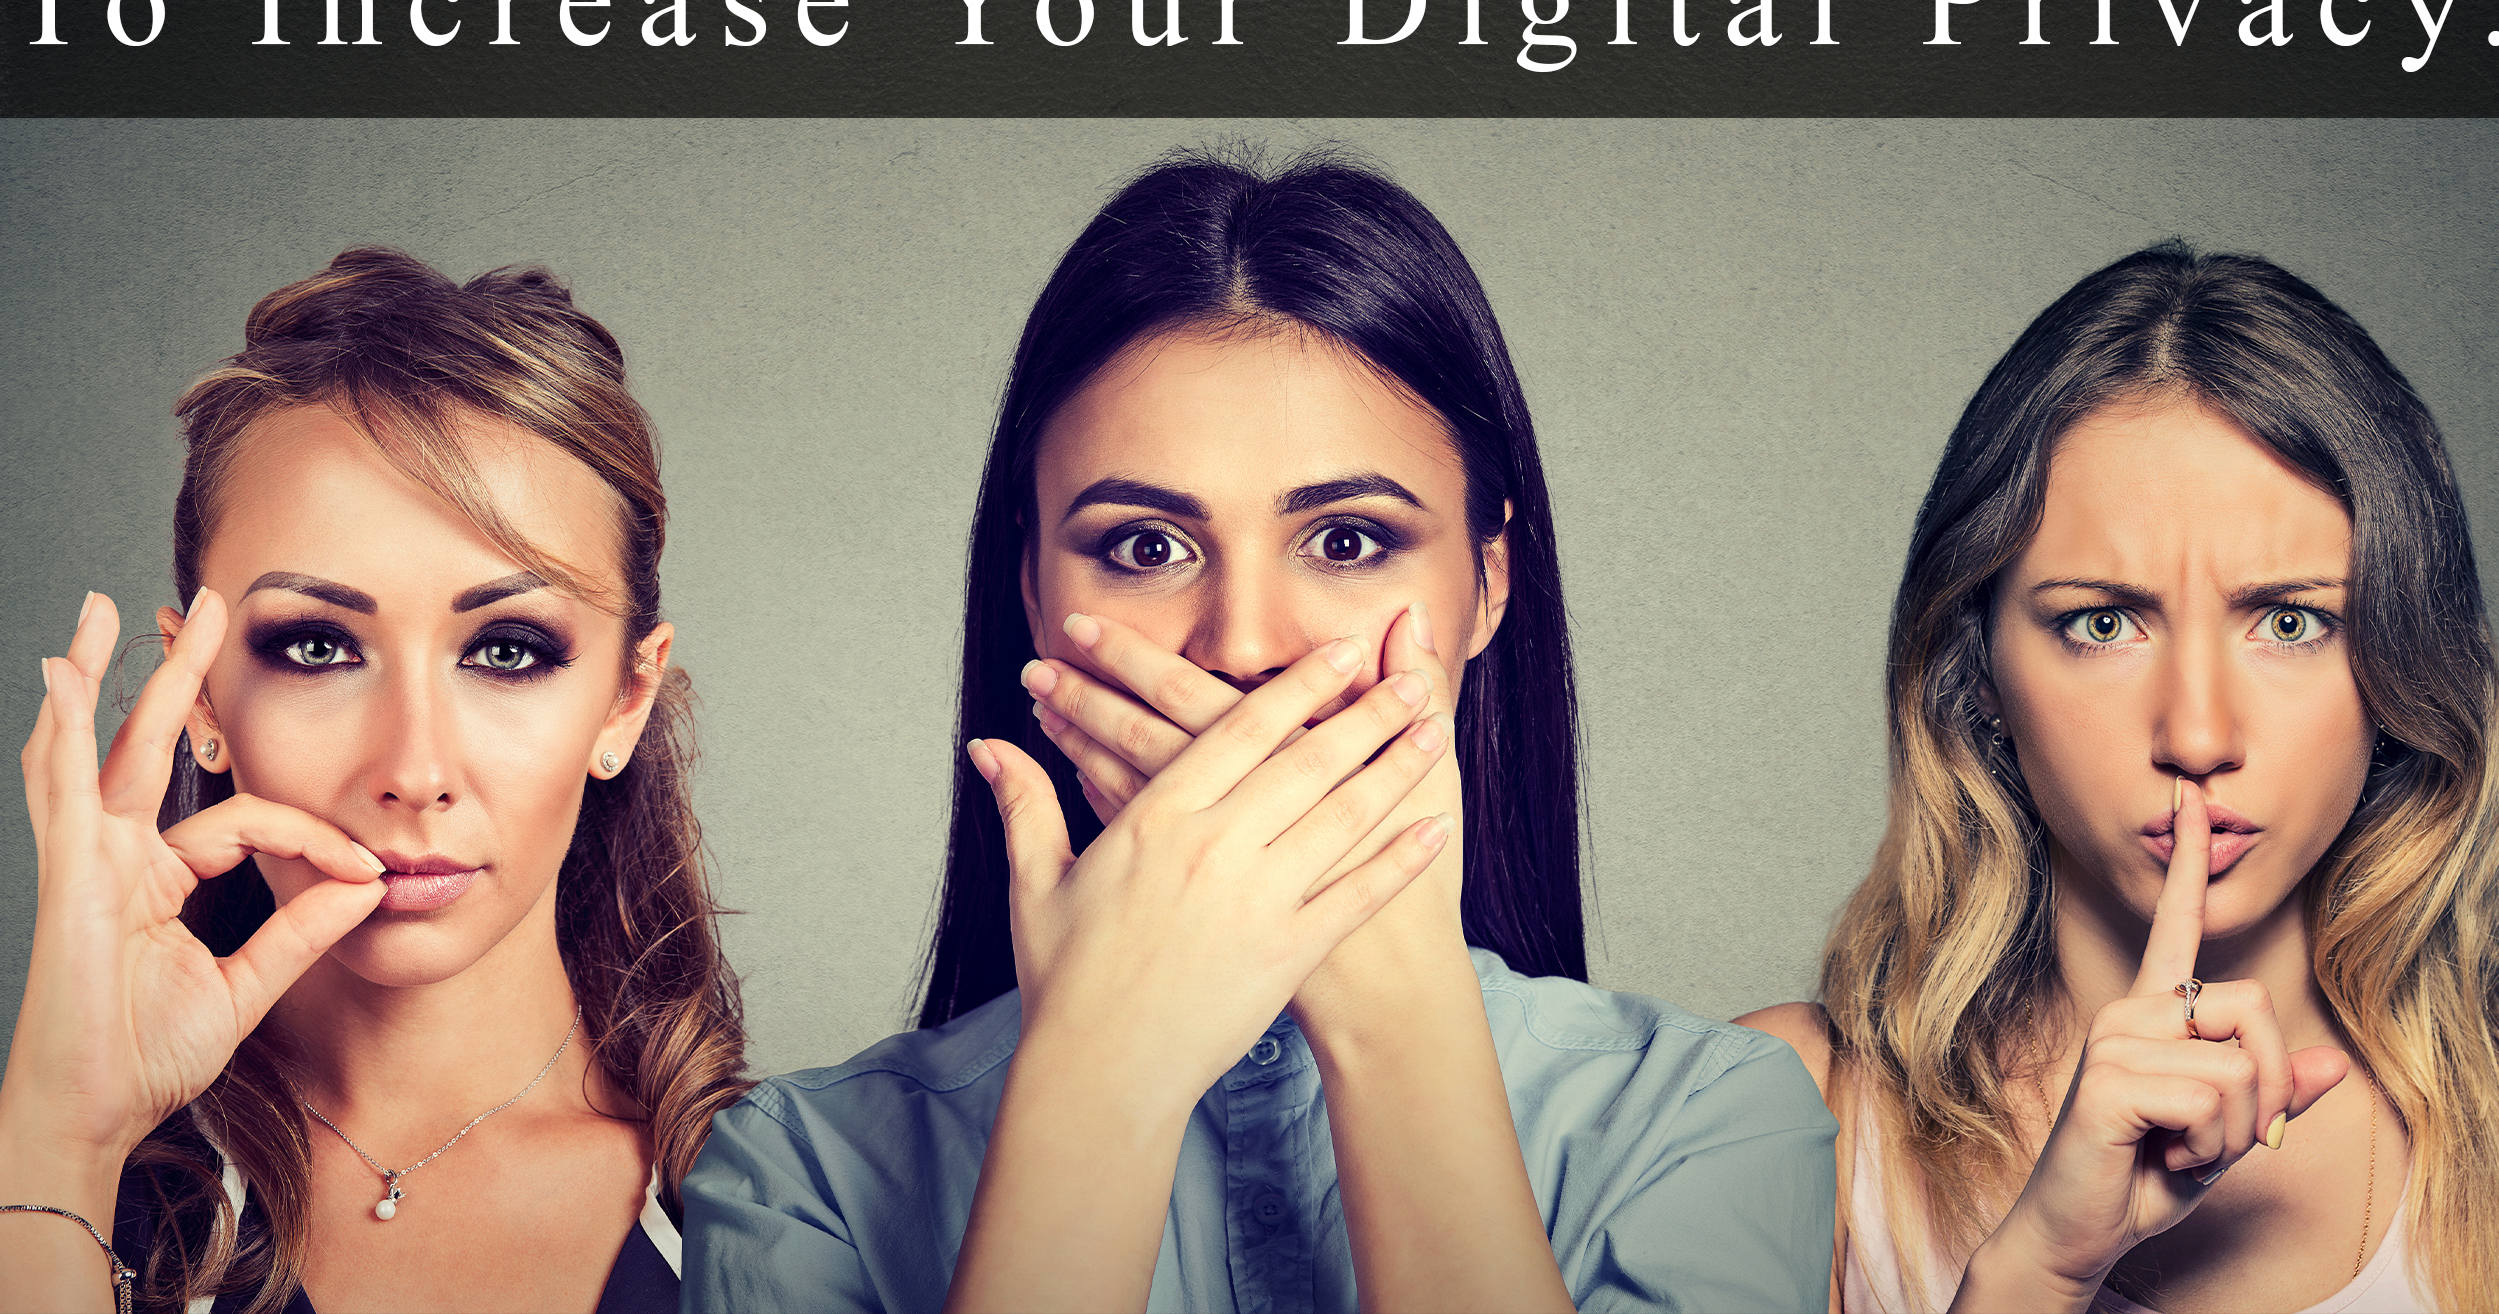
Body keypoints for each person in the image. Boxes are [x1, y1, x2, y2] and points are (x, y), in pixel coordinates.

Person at [681, 148, 1838, 1312]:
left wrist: (1396, 1024)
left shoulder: (1709, 1121)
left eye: (1346, 540)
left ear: (1487, 586)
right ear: (1031, 592)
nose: (1240, 644)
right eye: (1145, 546)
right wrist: (1097, 1082)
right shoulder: (801, 1172)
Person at [1739, 242, 2499, 1312]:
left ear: (2399, 659)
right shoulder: (1790, 1116)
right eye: (2104, 622)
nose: (2198, 733)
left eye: (2290, 620)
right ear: (1975, 668)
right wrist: (2034, 1269)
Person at [0, 248, 748, 1314]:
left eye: (506, 649)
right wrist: (61, 1136)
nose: (413, 771)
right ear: (199, 698)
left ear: (625, 702)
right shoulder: (47, 1178)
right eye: (317, 647)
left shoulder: (809, 1204)